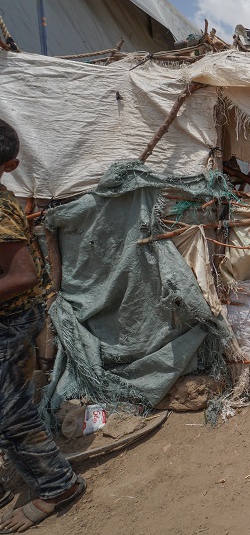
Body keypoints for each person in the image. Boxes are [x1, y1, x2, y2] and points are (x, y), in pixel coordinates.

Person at [0, 119, 86, 533]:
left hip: (11, 319)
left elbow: (22, 275)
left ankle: (58, 485)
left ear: (10, 164)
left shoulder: (0, 207)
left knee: (11, 413)